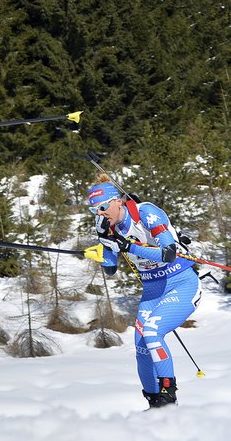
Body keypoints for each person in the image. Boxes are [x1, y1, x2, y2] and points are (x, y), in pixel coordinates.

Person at [86, 175, 200, 409]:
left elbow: (168, 254)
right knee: (141, 349)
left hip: (181, 283)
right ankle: (155, 402)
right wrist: (102, 247)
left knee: (152, 332)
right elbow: (110, 269)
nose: (99, 214)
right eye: (93, 210)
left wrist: (128, 245)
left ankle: (169, 395)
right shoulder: (107, 228)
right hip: (152, 291)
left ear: (117, 201)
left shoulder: (146, 213)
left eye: (102, 207)